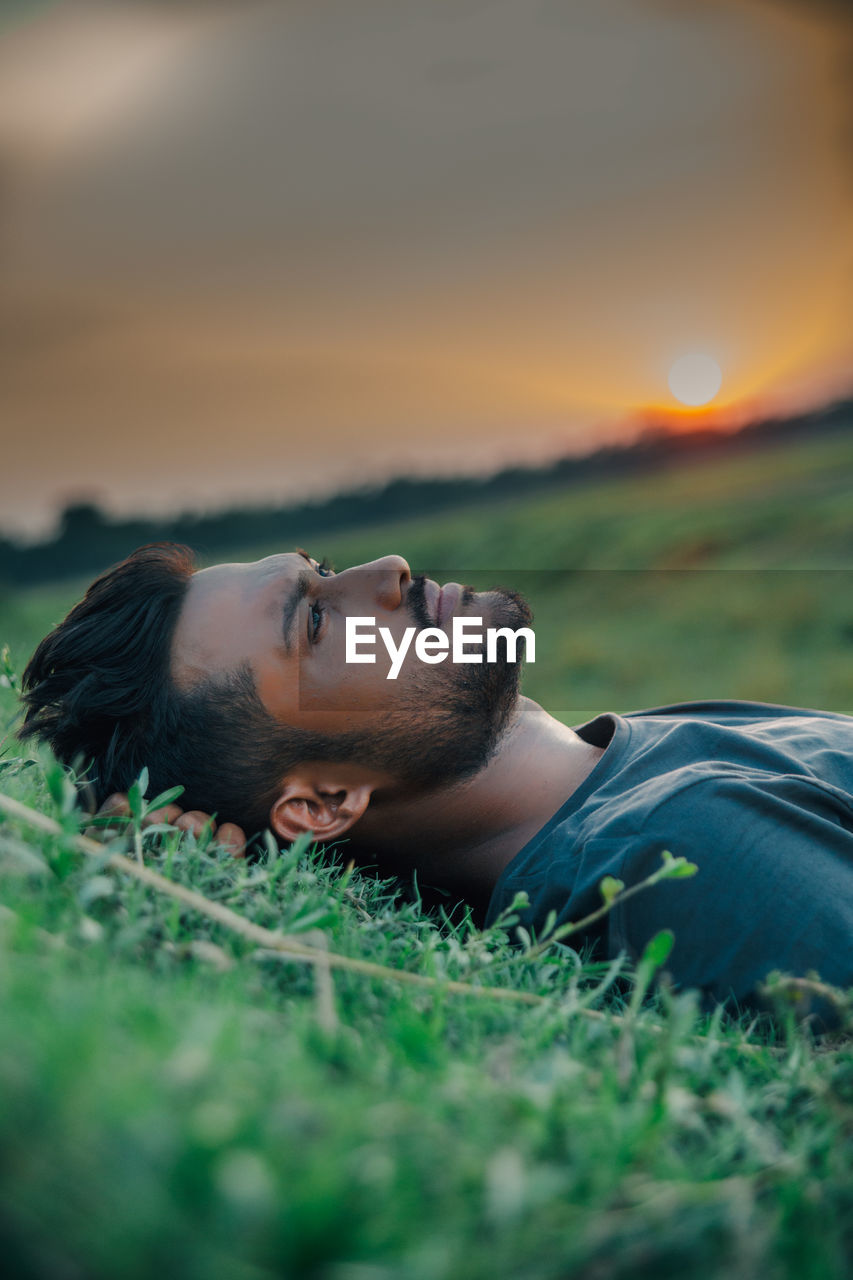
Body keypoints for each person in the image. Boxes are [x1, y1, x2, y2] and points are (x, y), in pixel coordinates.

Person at [19, 543, 853, 1018]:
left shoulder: (643, 756)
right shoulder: (682, 858)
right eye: (314, 618)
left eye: (323, 567)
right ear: (319, 803)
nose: (387, 572)